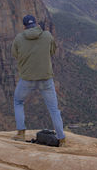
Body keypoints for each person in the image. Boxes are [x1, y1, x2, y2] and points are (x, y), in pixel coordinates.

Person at [11, 15, 65, 146]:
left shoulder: (18, 38)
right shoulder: (47, 35)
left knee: (18, 101)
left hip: (27, 79)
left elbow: (15, 55)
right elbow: (52, 51)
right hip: (45, 78)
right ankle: (61, 138)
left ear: (24, 26)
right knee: (53, 109)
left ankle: (21, 133)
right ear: (36, 24)